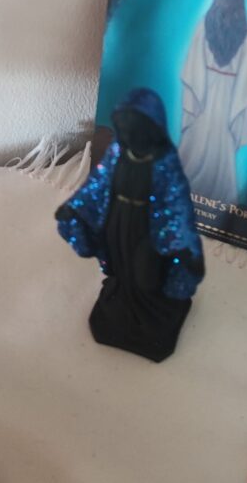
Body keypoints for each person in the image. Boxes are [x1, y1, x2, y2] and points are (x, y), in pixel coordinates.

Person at [55, 88, 204, 363]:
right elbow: (97, 184)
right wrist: (74, 208)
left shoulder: (164, 161)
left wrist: (181, 243)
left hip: (150, 229)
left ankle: (150, 312)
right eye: (123, 128)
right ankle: (123, 299)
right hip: (118, 221)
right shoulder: (117, 152)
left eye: (133, 128)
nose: (127, 134)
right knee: (121, 265)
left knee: (146, 273)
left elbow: (177, 203)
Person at [178, 0, 247, 202]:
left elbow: (193, 66)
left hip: (204, 90)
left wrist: (198, 91)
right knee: (222, 144)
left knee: (194, 143)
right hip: (229, 96)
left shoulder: (203, 25)